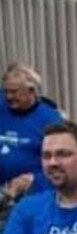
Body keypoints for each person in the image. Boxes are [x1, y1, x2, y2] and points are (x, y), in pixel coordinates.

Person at [0, 64, 62, 196]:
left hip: (32, 193)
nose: (8, 97)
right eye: (5, 91)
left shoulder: (51, 119)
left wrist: (34, 180)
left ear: (32, 91)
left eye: (14, 92)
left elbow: (60, 163)